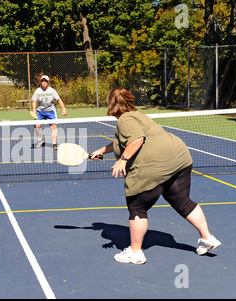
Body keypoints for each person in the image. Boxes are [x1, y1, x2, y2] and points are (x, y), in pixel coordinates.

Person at [90, 88, 221, 264]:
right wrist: (102, 151)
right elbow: (123, 142)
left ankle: (135, 252)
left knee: (137, 206)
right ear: (129, 100)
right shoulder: (137, 115)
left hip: (156, 164)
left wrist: (123, 160)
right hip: (179, 159)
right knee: (182, 201)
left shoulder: (125, 120)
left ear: (111, 103)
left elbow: (136, 139)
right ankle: (207, 238)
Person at [31, 75, 67, 150]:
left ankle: (54, 144)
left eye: (45, 81)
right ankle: (39, 140)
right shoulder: (37, 91)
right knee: (36, 126)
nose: (44, 82)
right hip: (40, 111)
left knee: (53, 127)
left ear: (48, 82)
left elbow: (59, 100)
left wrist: (64, 109)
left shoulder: (52, 91)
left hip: (51, 111)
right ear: (41, 82)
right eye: (42, 81)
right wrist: (34, 109)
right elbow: (34, 101)